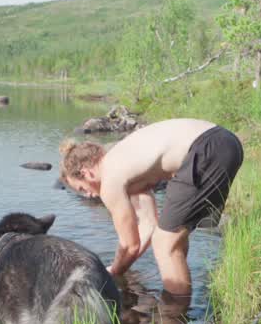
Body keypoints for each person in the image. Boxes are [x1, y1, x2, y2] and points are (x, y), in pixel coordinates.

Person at [59, 119, 243, 298]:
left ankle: (176, 318)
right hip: (226, 141)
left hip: (206, 148)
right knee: (172, 237)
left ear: (86, 173)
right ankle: (182, 301)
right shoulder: (125, 164)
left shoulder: (109, 180)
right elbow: (148, 226)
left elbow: (130, 245)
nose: (88, 195)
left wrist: (113, 272)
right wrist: (122, 267)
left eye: (82, 188)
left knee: (165, 244)